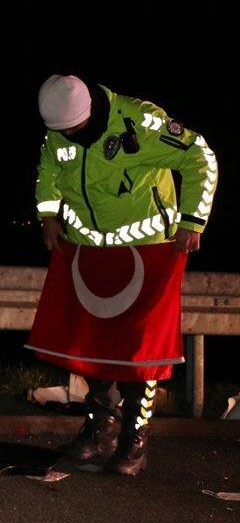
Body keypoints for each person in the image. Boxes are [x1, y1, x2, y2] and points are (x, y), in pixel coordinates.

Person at [34, 74, 218, 475]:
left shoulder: (140, 122)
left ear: (88, 111)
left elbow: (200, 156)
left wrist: (192, 220)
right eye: (61, 131)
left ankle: (135, 437)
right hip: (90, 252)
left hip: (149, 252)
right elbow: (48, 169)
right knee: (95, 345)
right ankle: (99, 429)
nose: (67, 136)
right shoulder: (59, 130)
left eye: (73, 128)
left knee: (141, 352)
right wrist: (47, 214)